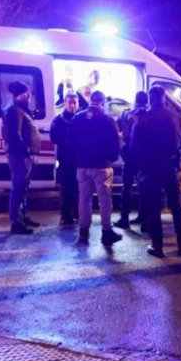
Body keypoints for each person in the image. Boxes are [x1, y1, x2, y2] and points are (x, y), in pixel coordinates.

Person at [132, 86, 181, 258]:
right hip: (171, 167)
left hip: (151, 169)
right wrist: (179, 165)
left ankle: (157, 246)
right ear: (164, 98)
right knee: (177, 206)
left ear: (150, 99)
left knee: (154, 207)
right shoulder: (176, 118)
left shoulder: (143, 119)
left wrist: (142, 167)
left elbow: (135, 147)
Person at [72, 90, 122, 246]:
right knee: (105, 200)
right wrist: (111, 159)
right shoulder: (108, 120)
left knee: (84, 199)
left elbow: (69, 140)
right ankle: (106, 232)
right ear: (102, 102)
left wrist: (77, 159)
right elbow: (115, 143)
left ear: (90, 100)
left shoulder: (78, 118)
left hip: (82, 165)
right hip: (101, 166)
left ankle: (83, 233)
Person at [1, 80, 41, 235]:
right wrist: (26, 155)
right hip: (20, 156)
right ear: (21, 94)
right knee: (18, 189)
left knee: (23, 189)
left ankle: (23, 217)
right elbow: (14, 136)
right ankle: (16, 222)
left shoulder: (20, 109)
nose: (29, 96)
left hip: (27, 155)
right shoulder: (13, 111)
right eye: (27, 93)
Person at [116, 91, 149, 229]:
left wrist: (122, 147)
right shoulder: (149, 114)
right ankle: (144, 217)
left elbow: (116, 130)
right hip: (144, 156)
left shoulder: (125, 114)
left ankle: (124, 218)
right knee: (145, 188)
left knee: (127, 188)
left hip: (129, 155)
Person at [50, 93, 80, 226]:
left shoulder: (80, 118)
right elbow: (55, 138)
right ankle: (66, 215)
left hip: (78, 160)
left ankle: (77, 214)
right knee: (66, 189)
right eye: (70, 102)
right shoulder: (59, 120)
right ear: (65, 103)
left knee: (78, 189)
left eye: (75, 102)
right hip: (66, 160)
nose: (73, 105)